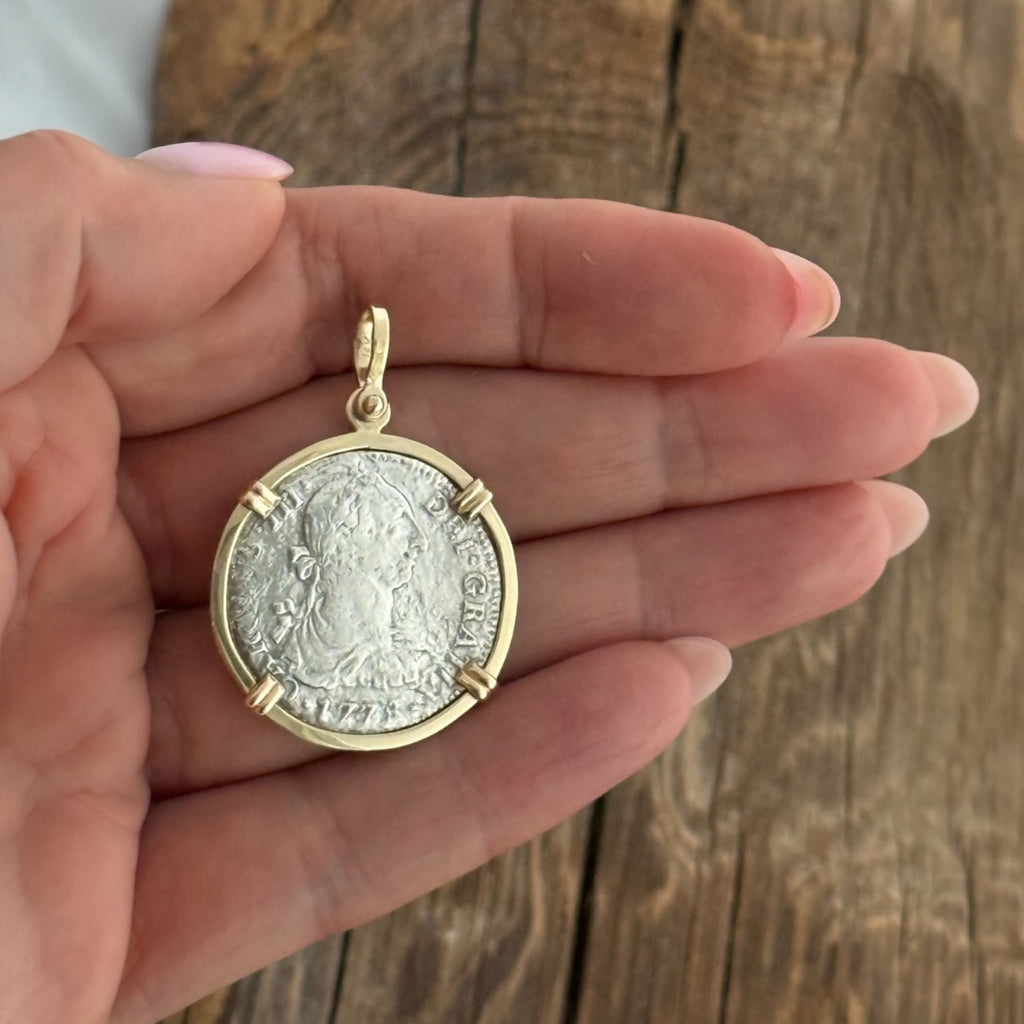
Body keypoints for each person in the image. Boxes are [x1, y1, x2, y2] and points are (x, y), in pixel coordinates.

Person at [0, 131, 978, 1024]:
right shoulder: (297, 633)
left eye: (392, 557)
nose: (387, 575)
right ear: (323, 561)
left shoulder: (410, 642)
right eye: (369, 558)